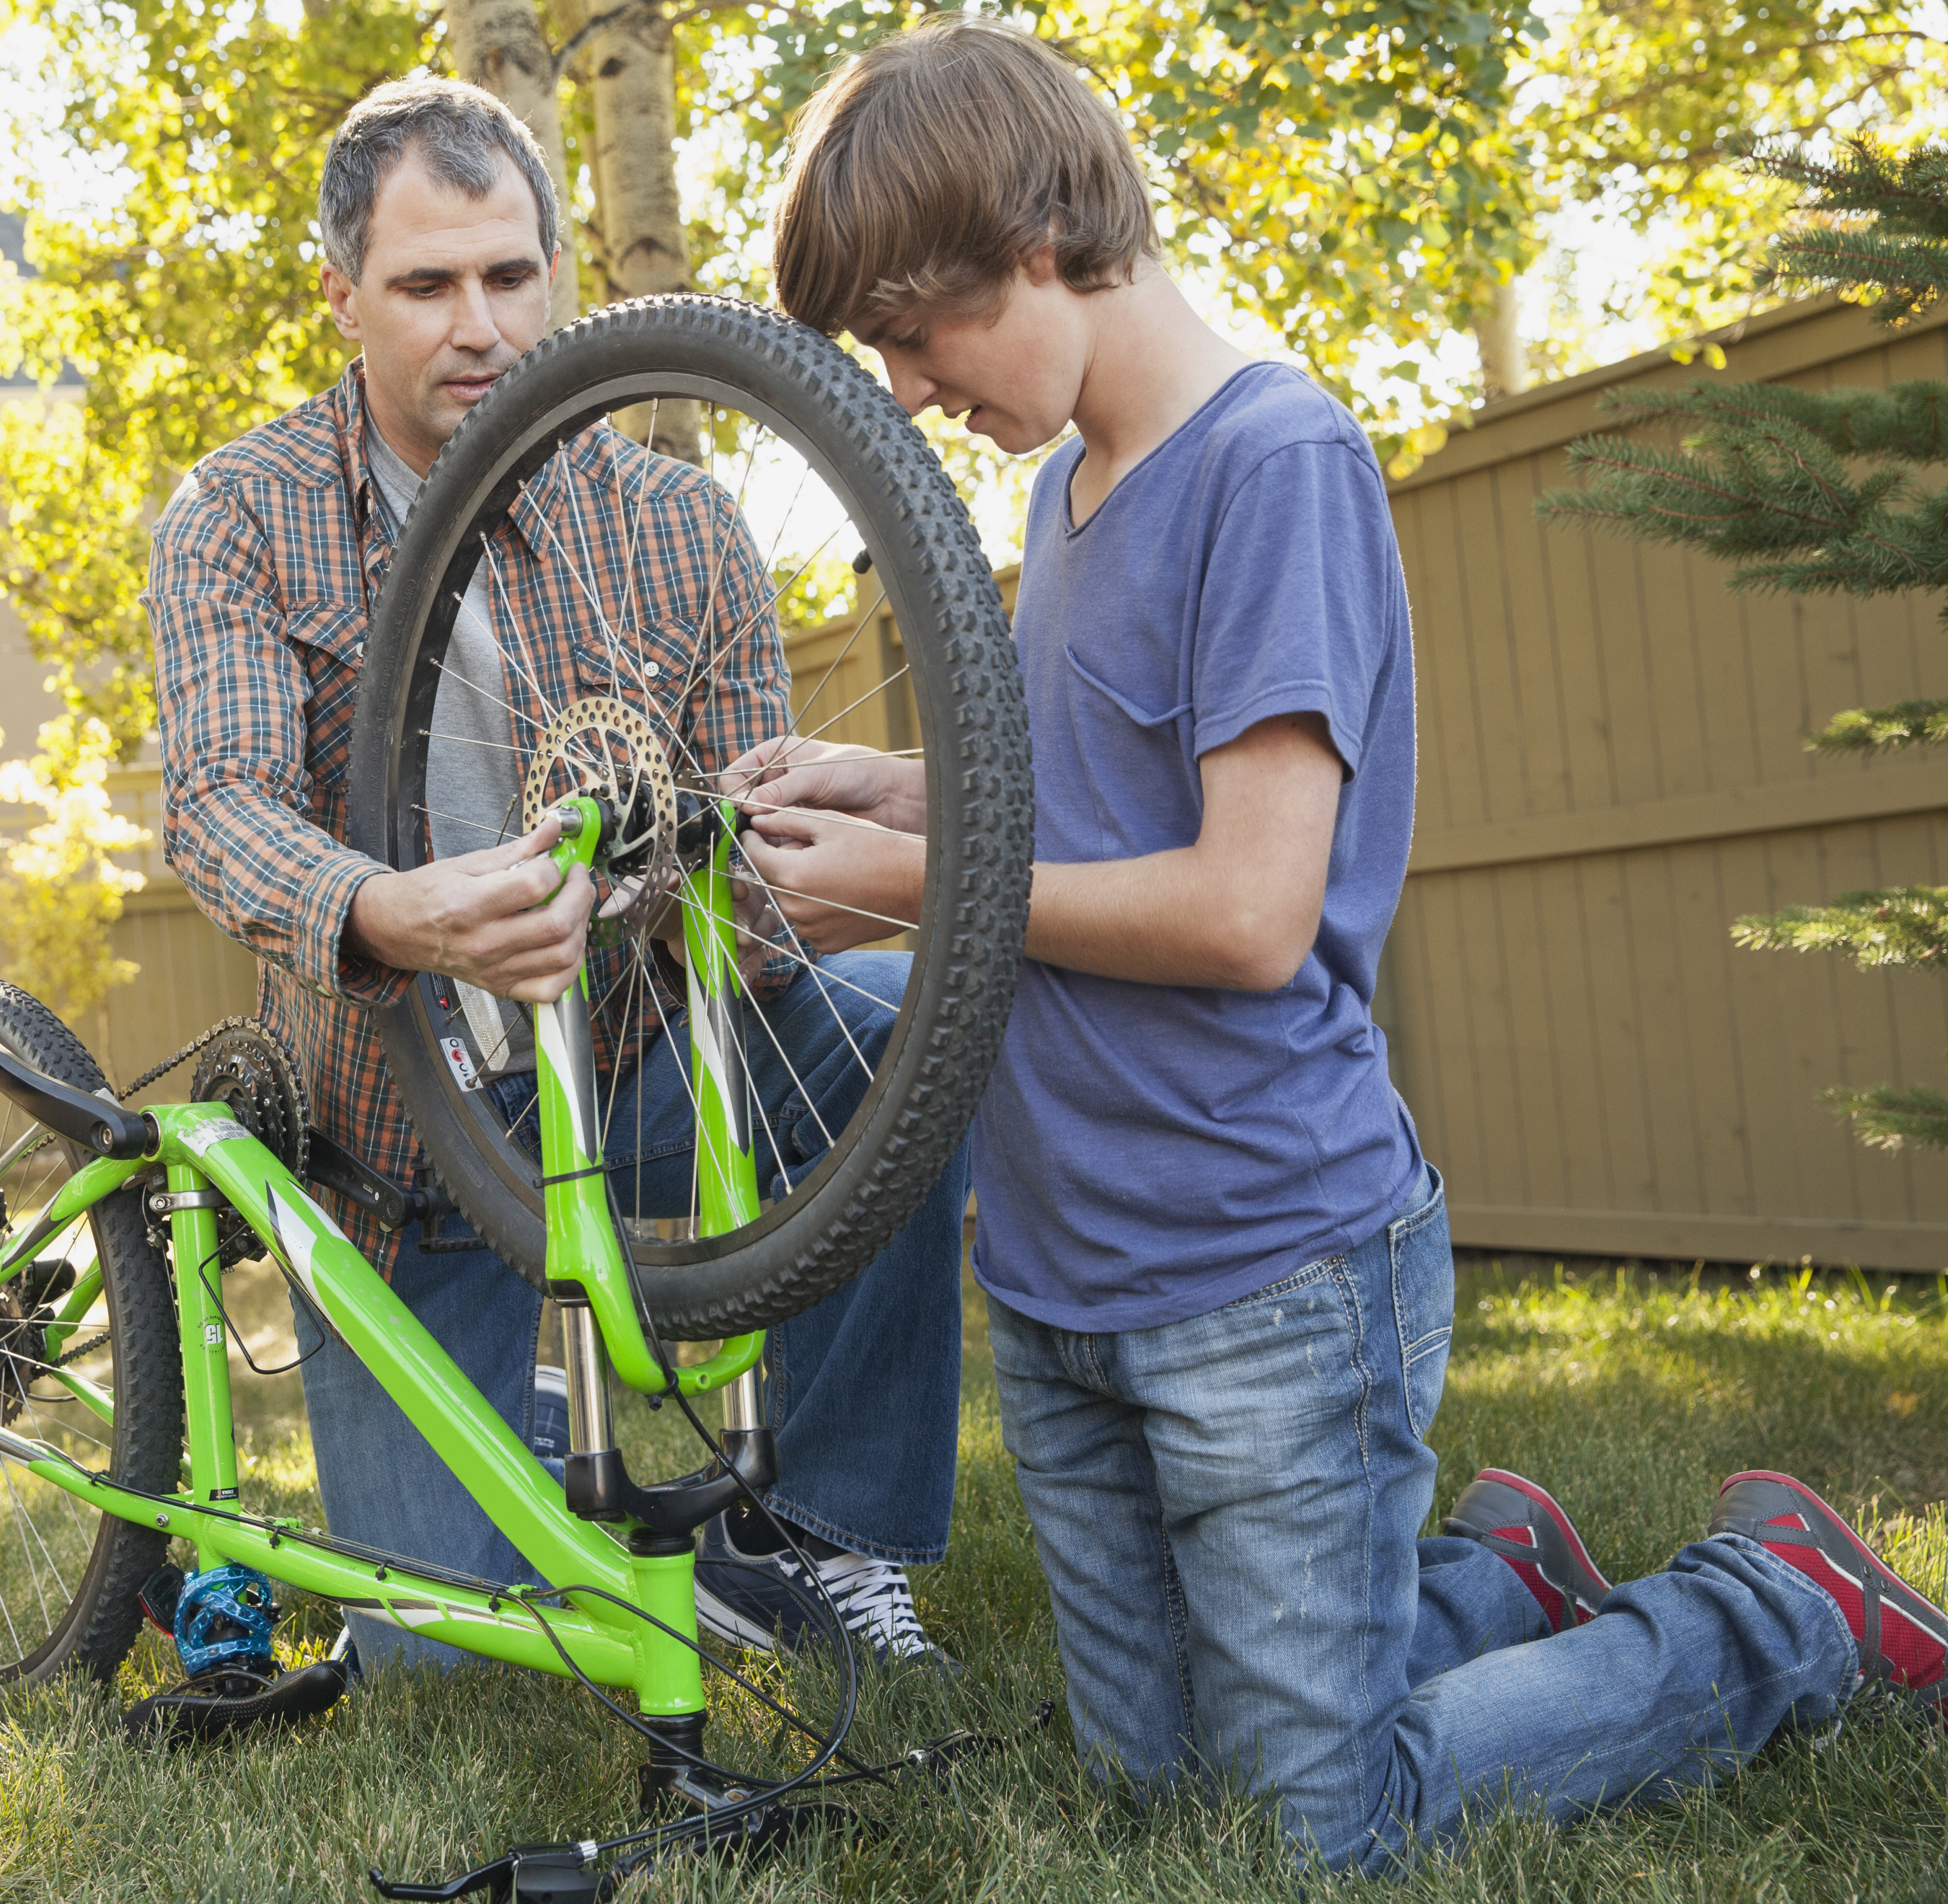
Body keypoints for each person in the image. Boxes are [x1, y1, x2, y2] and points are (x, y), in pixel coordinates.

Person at [737, 17, 1946, 1872]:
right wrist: (892, 788)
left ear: (1039, 245)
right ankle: (1494, 1579)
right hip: (1068, 1276)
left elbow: (1240, 908)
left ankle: (1772, 1606)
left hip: (1259, 1268)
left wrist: (921, 884)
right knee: (1162, 1795)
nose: (903, 390)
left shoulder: (1274, 462)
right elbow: (1092, 808)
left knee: (1323, 1825)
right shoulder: (1071, 490)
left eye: (917, 332)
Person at [142, 77, 970, 1677]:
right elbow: (222, 808)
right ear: (342, 297)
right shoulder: (239, 516)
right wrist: (390, 913)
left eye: (510, 278)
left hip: (647, 1066)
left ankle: (827, 1533)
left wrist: (746, 857)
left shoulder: (676, 522)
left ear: (561, 279)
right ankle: (521, 1408)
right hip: (400, 1157)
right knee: (450, 1654)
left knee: (898, 1031)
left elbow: (760, 876)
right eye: (426, 285)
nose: (478, 325)